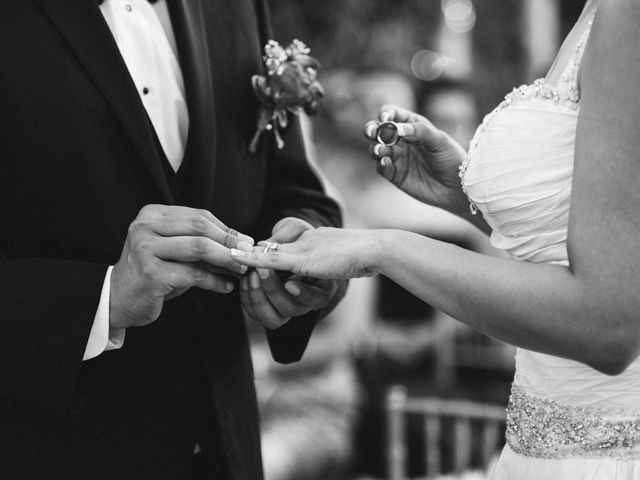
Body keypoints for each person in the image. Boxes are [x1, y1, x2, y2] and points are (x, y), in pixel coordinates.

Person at [230, 0, 640, 478]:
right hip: (531, 451)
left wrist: (383, 247)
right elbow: (586, 246)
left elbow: (608, 327)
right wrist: (463, 198)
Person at [0, 1, 344, 479]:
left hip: (227, 452)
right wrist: (106, 298)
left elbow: (296, 191)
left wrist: (305, 260)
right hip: (51, 450)